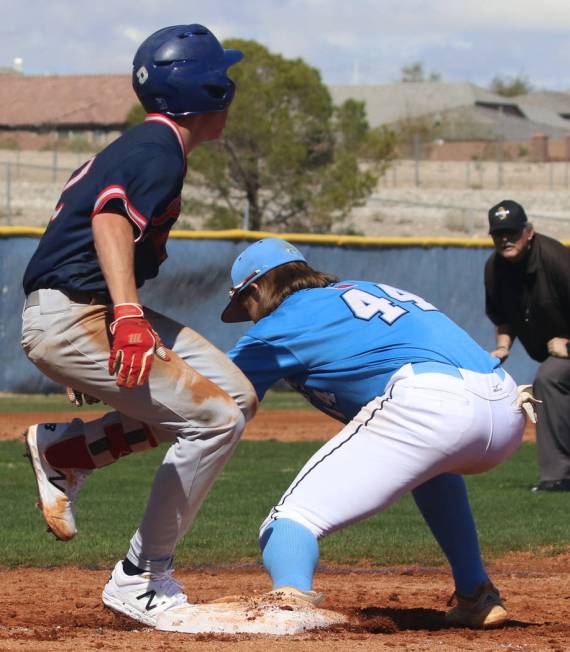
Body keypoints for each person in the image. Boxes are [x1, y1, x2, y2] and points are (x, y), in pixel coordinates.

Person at [21, 24, 257, 627]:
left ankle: (68, 450)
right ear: (203, 90)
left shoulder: (148, 144)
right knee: (214, 420)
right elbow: (108, 220)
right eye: (220, 77)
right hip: (79, 313)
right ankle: (141, 578)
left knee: (235, 397)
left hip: (81, 307)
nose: (227, 85)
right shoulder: (157, 149)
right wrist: (124, 317)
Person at [220, 237, 528, 629]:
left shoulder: (284, 320)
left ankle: (289, 599)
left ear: (258, 288)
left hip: (431, 401)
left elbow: (213, 400)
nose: (249, 317)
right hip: (508, 403)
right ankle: (477, 594)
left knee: (290, 520)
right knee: (433, 469)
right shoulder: (365, 290)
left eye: (244, 303)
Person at [485, 199, 570, 492]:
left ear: (528, 232)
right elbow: (502, 316)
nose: (505, 239)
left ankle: (558, 476)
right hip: (554, 350)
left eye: (512, 232)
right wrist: (503, 346)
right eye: (499, 233)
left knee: (549, 377)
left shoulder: (557, 260)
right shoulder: (495, 269)